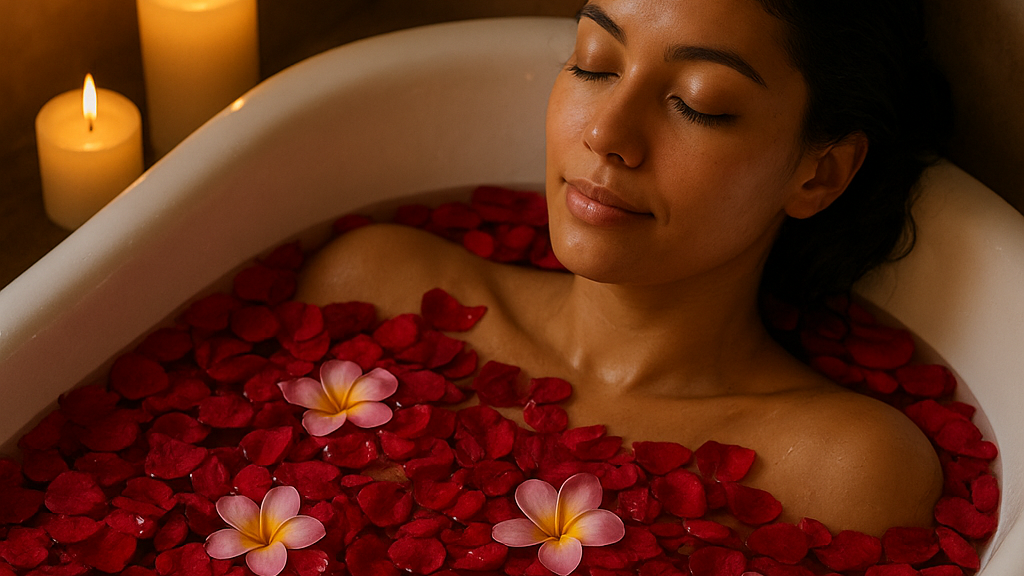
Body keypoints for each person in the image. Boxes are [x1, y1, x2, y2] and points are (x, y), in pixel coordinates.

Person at [296, 0, 952, 537]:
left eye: (699, 104)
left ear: (819, 173)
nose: (606, 134)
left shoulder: (840, 473)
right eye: (595, 64)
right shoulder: (374, 289)